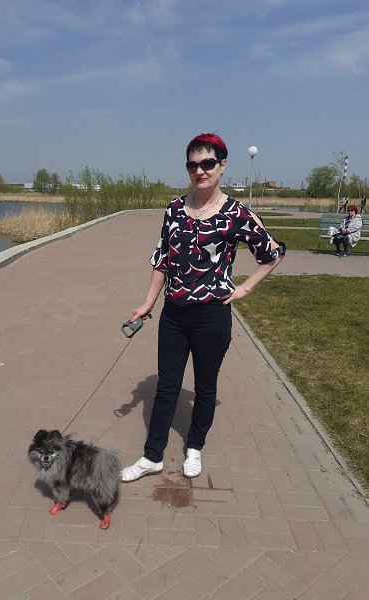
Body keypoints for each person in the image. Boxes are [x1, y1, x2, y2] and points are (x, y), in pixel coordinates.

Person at [121, 133, 286, 483]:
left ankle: (194, 446)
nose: (200, 171)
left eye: (207, 163)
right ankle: (152, 456)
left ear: (222, 166)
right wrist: (148, 303)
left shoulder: (236, 213)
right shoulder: (174, 209)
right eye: (192, 165)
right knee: (166, 387)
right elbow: (162, 260)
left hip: (212, 317)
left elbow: (272, 254)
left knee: (205, 387)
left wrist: (244, 288)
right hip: (173, 315)